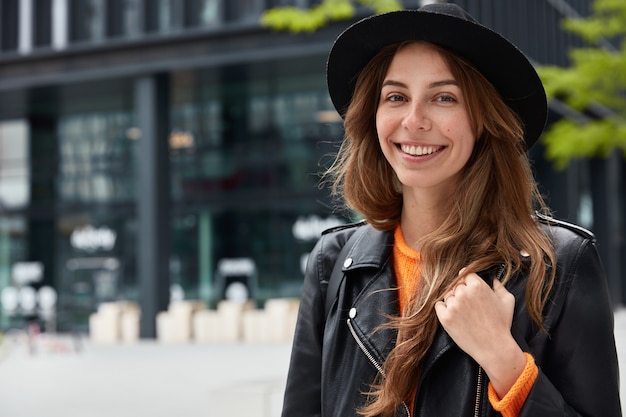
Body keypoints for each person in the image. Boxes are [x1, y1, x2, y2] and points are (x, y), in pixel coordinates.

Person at [281, 3, 622, 417]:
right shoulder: (333, 266)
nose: (414, 119)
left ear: (483, 119)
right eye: (395, 96)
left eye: (443, 97)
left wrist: (505, 360)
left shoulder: (560, 266)